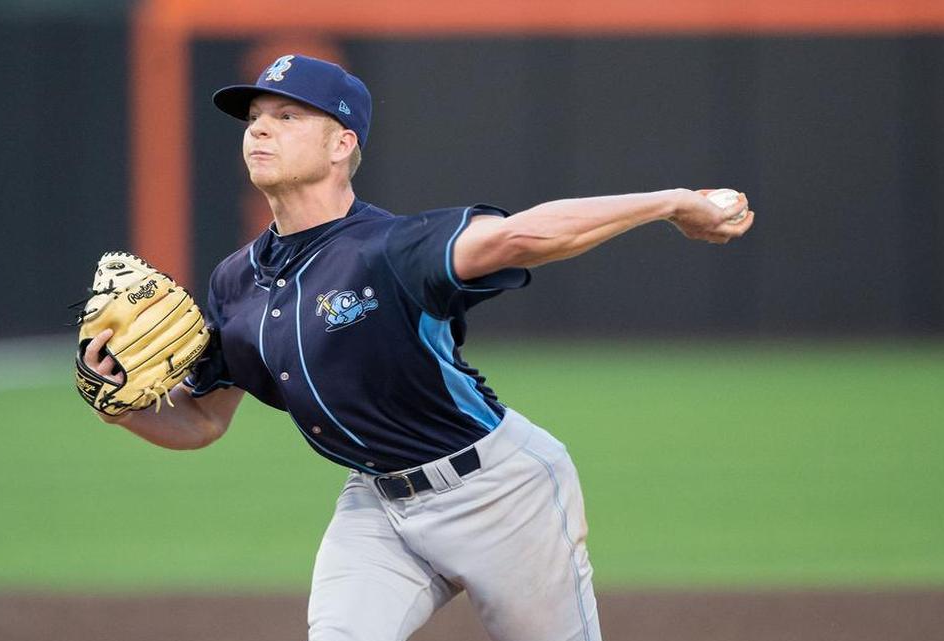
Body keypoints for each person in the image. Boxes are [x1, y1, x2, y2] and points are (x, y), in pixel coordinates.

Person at [82, 54, 753, 641]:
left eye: (287, 116)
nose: (258, 127)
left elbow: (521, 237)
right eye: (256, 115)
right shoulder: (234, 282)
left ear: (342, 142)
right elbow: (202, 419)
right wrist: (118, 406)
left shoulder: (390, 249)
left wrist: (671, 202)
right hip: (377, 503)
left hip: (499, 493)